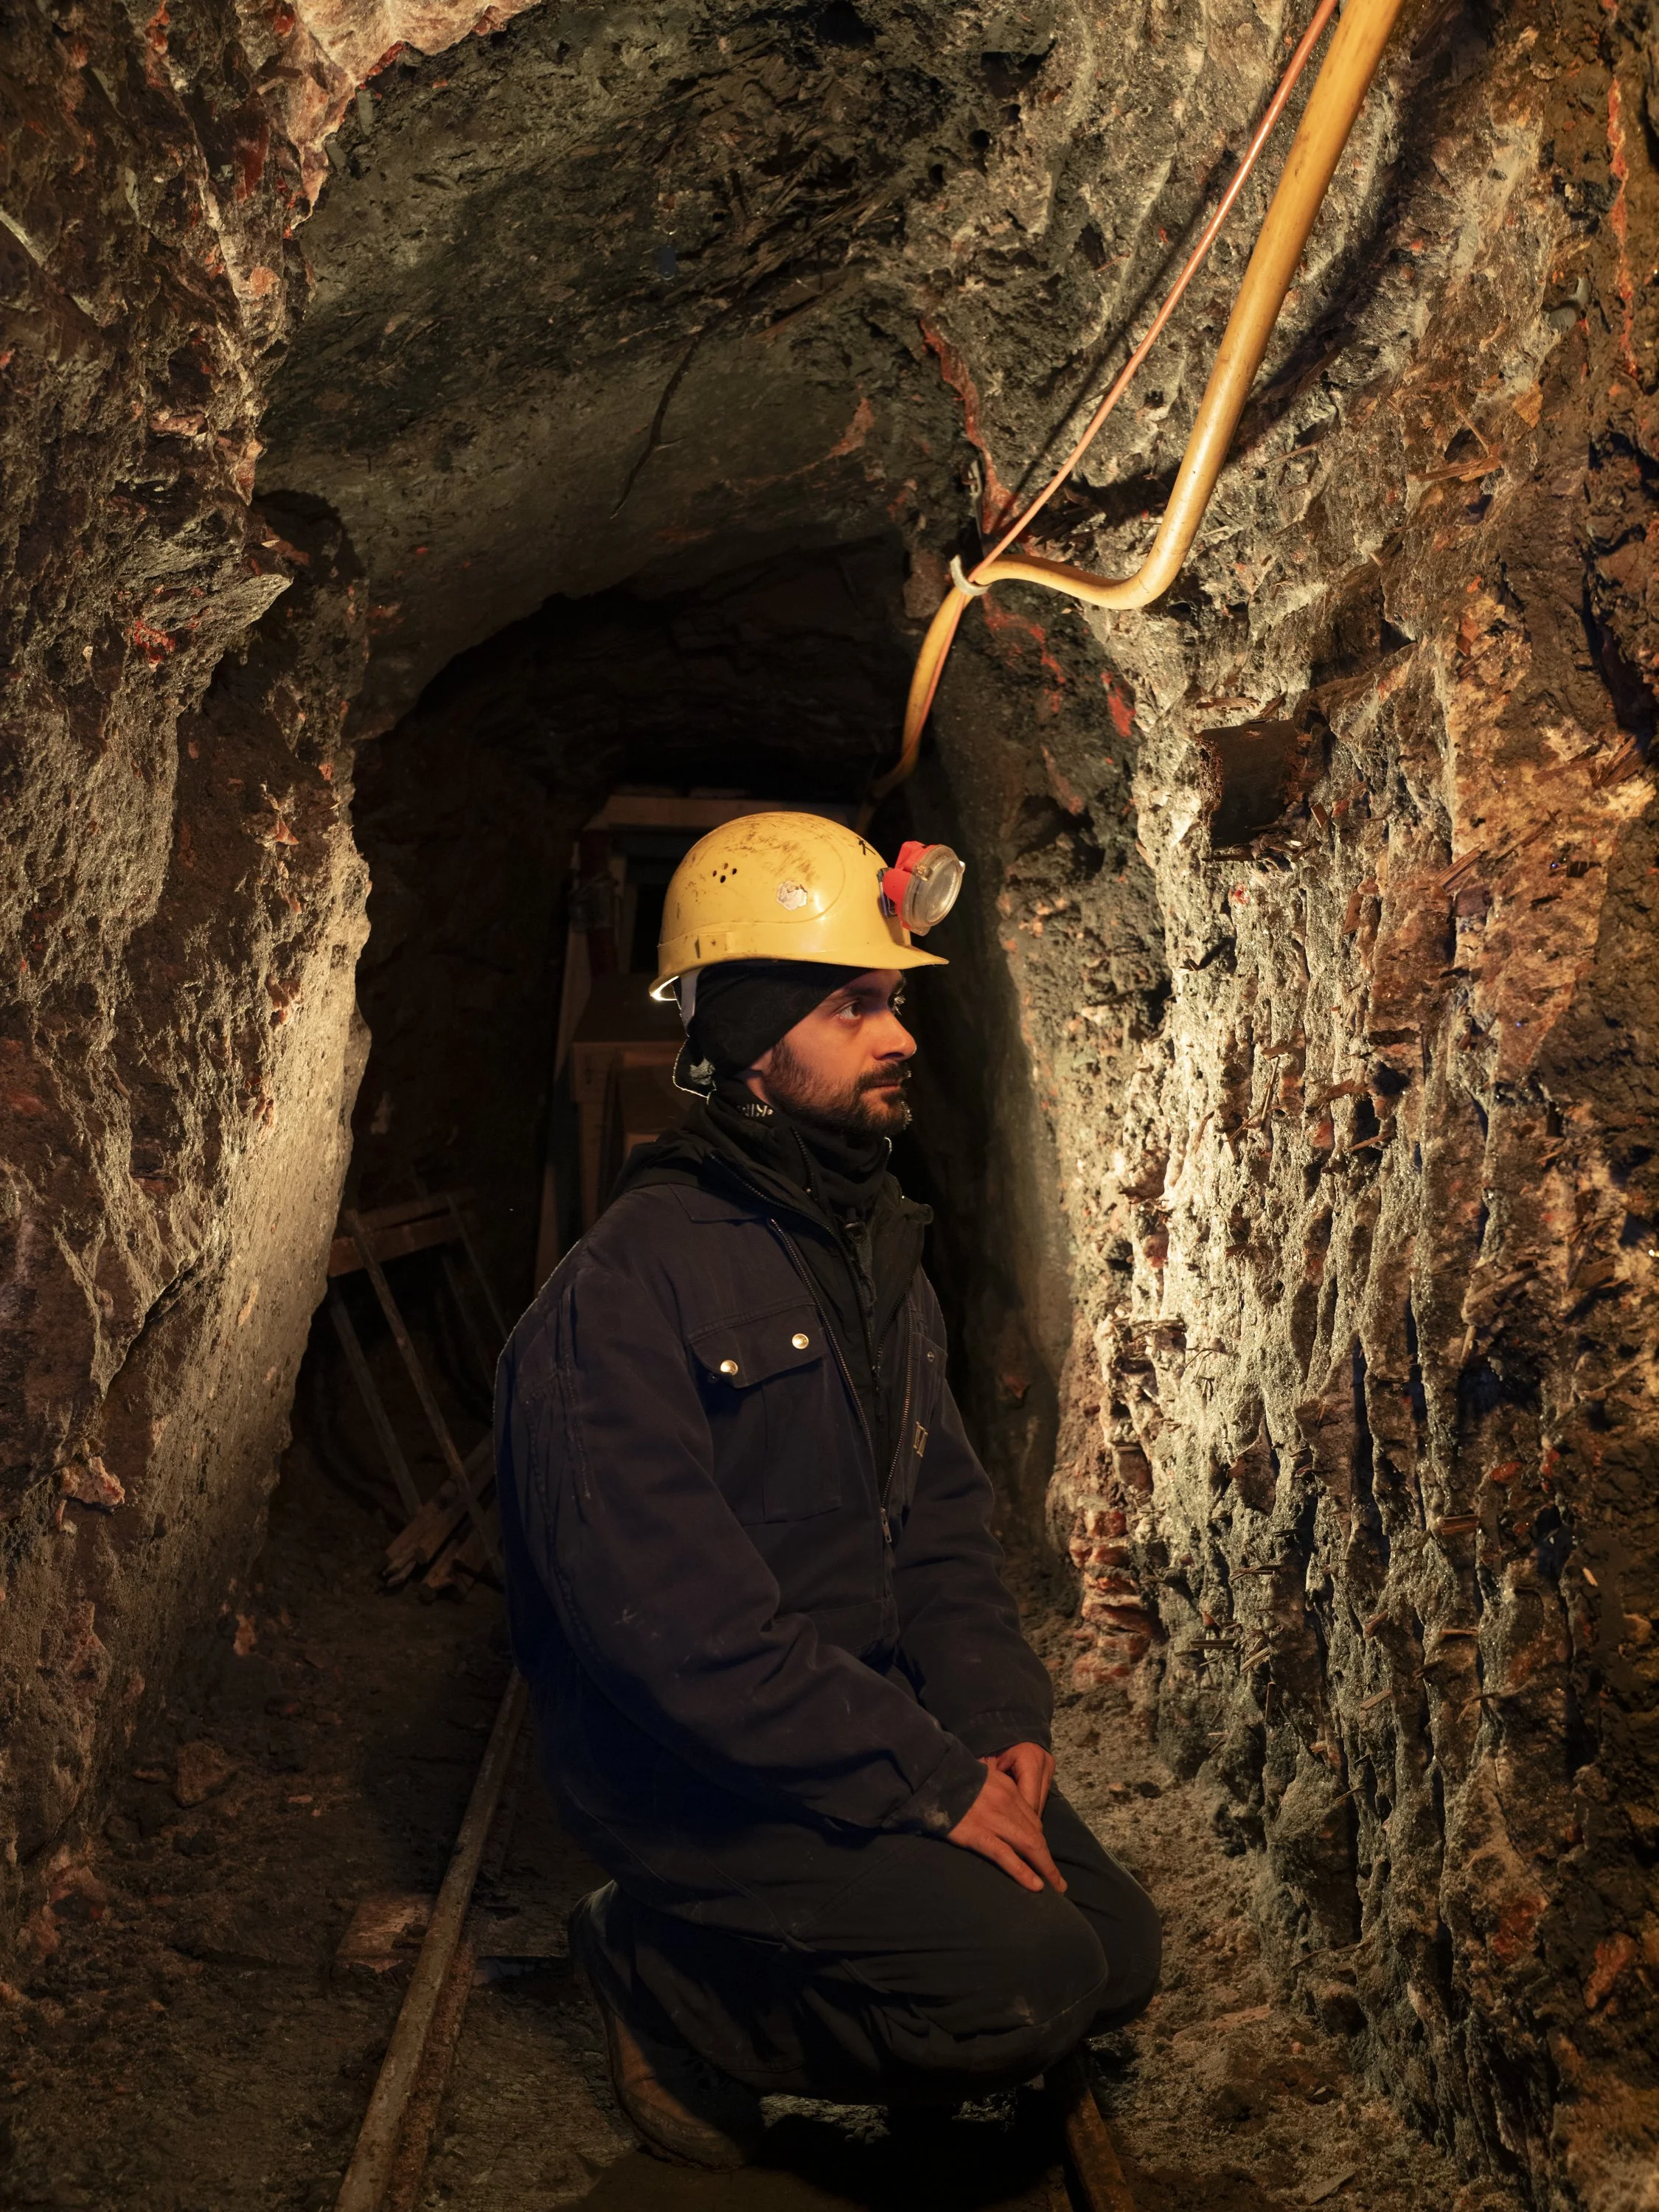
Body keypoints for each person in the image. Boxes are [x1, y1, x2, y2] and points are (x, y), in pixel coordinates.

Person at [495, 812, 1159, 2168]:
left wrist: (989, 1723)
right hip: (701, 1778)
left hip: (851, 1730)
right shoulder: (619, 1298)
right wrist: (923, 1785)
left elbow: (941, 1535)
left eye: (896, 999)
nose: (901, 1035)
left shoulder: (867, 1256)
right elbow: (679, 1640)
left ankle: (837, 1930)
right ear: (749, 1037)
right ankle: (656, 1974)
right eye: (856, 1005)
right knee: (1021, 1989)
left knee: (1116, 1955)